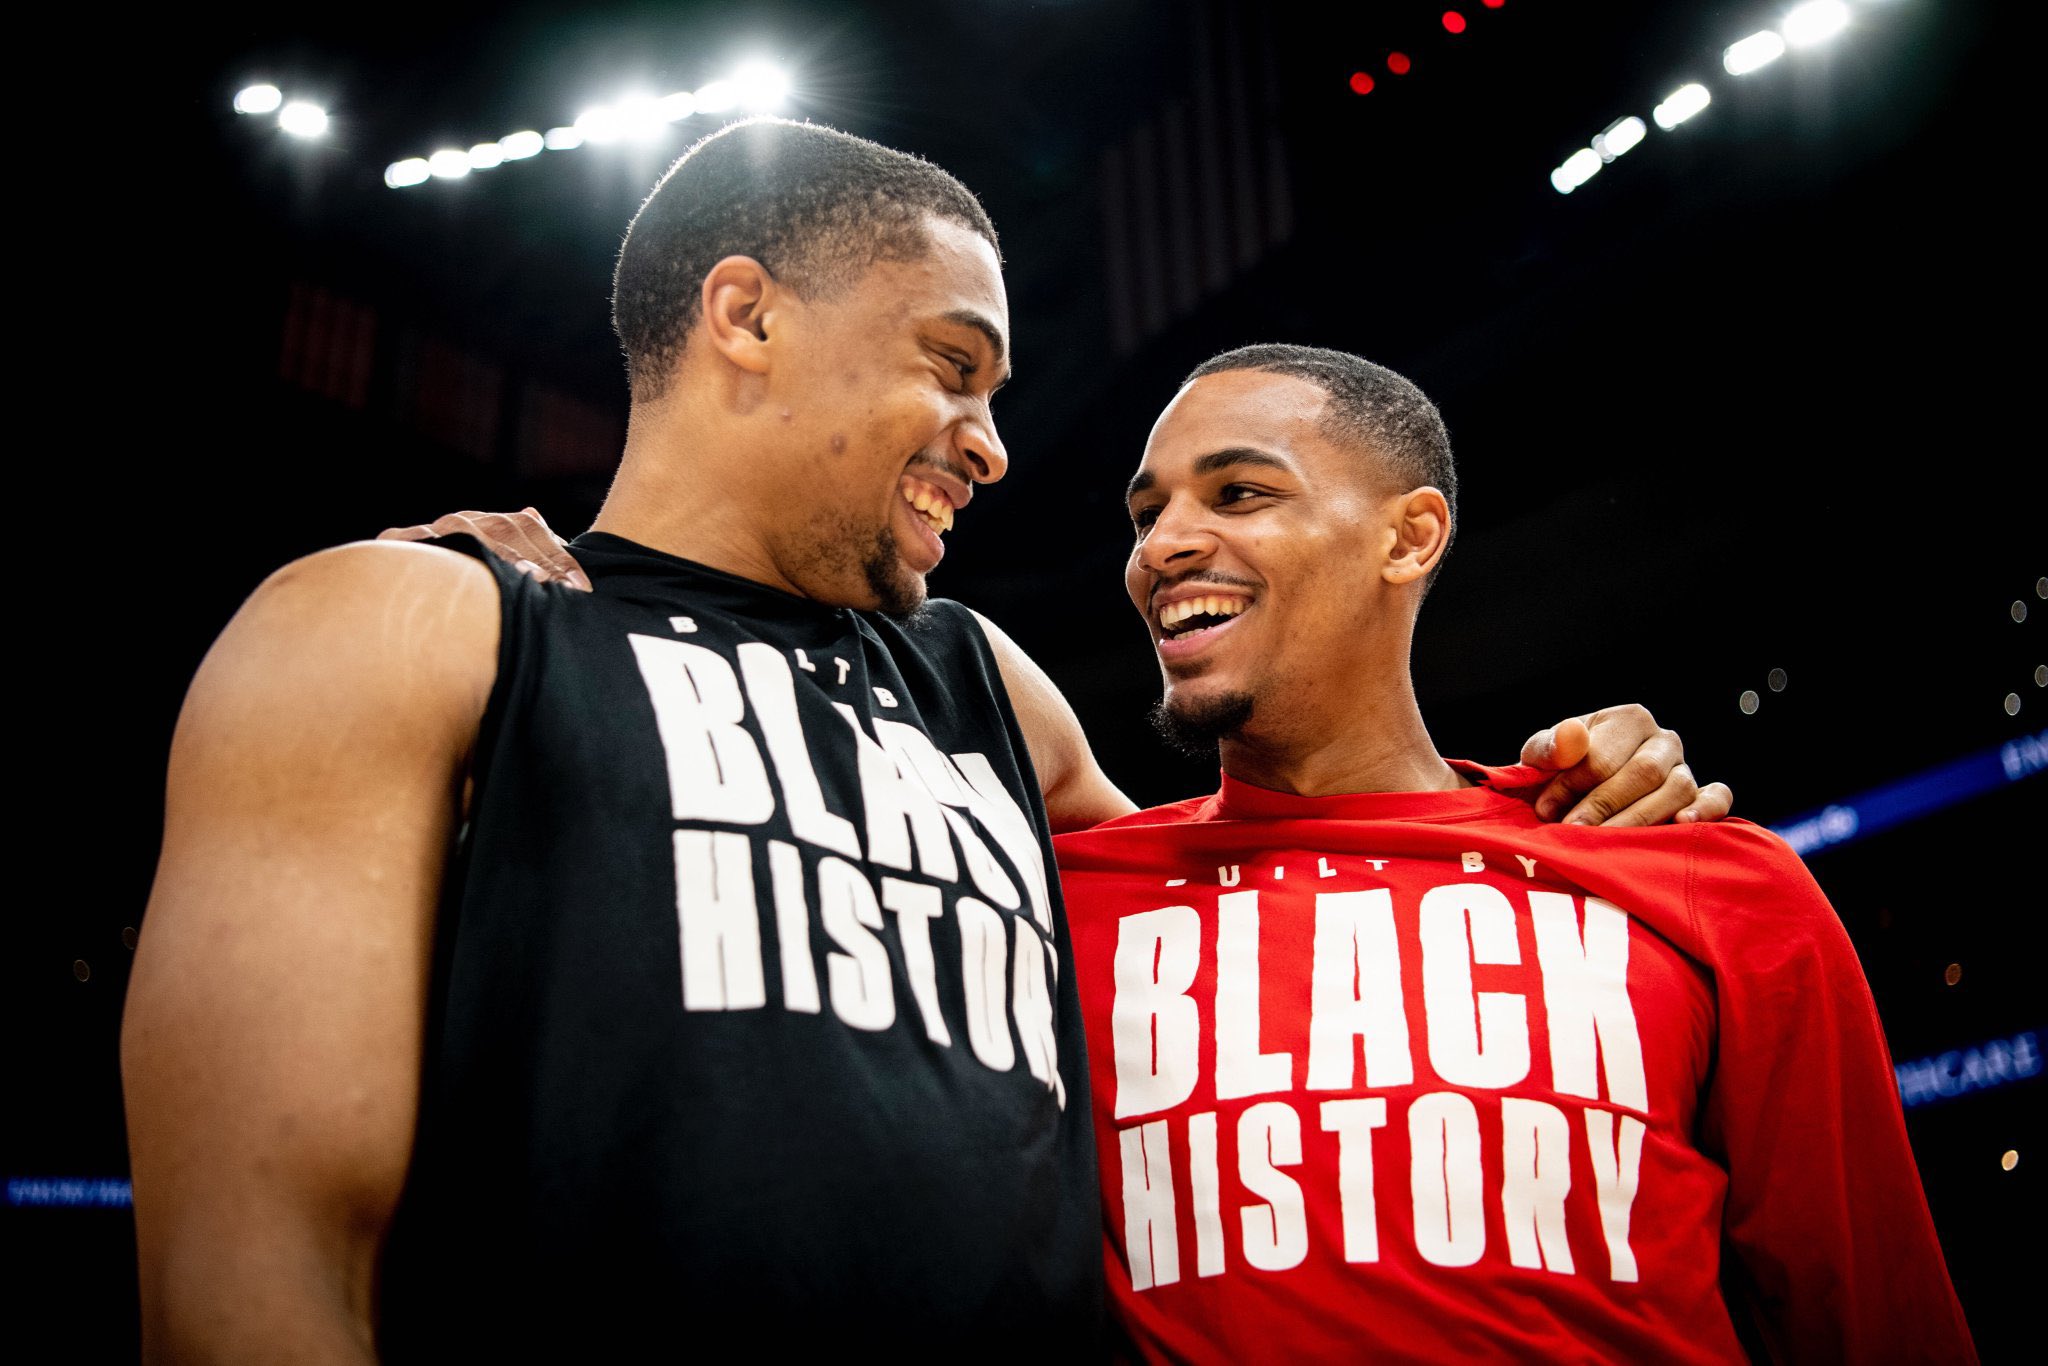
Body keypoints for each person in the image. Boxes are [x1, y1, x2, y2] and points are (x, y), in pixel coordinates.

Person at [122, 120, 1720, 1360]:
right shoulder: (407, 630)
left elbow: (1271, 891)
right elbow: (253, 1270)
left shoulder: (985, 682)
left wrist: (1554, 803)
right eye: (955, 367)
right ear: (745, 315)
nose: (995, 444)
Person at [1051, 345, 1976, 1362]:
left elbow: (1873, 1320)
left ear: (1409, 537)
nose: (1162, 547)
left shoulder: (1698, 877)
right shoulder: (1053, 910)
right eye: (1145, 514)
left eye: (1238, 493)